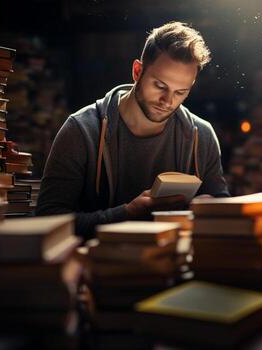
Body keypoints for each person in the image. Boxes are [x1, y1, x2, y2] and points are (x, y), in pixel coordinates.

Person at [36, 21, 229, 239]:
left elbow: (221, 212)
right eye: (160, 86)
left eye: (180, 92)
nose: (167, 101)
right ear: (137, 71)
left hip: (171, 266)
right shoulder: (81, 130)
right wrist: (126, 214)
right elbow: (47, 220)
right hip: (96, 267)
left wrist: (210, 208)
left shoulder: (201, 136)